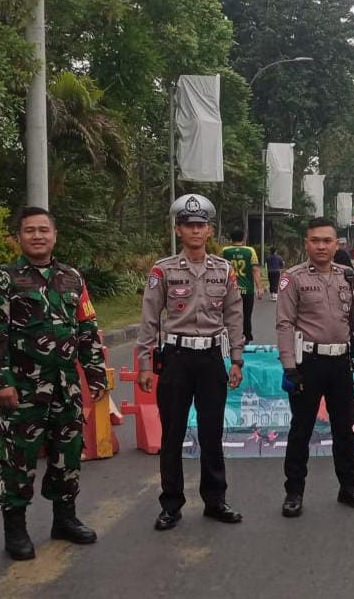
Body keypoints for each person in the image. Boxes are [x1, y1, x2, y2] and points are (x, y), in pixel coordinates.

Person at [0, 206, 108, 560]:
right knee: (17, 460)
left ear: (55, 235)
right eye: (30, 231)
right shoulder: (2, 279)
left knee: (67, 456)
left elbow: (86, 329)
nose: (37, 236)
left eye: (43, 230)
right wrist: (0, 382)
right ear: (19, 237)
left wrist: (95, 372)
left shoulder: (72, 278)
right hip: (22, 388)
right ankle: (15, 529)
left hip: (65, 387)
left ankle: (64, 519)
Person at [137, 194, 245, 531]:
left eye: (201, 225)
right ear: (178, 229)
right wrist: (144, 362)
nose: (195, 231)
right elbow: (150, 318)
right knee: (172, 433)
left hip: (212, 358)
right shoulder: (163, 270)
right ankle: (171, 504)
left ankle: (215, 500)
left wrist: (237, 359)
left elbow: (234, 315)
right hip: (177, 359)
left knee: (212, 432)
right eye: (189, 225)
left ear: (209, 230)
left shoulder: (224, 269)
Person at [275, 217, 354, 517]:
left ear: (336, 244)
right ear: (307, 243)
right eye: (315, 240)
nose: (321, 246)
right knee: (301, 430)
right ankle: (294, 492)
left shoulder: (348, 276)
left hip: (341, 363)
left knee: (345, 429)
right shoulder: (292, 278)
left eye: (327, 240)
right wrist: (290, 367)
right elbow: (284, 324)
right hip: (308, 364)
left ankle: (349, 487)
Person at [222, 228, 264, 342]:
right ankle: (246, 338)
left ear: (231, 238)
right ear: (243, 238)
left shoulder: (225, 251)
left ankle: (229, 338)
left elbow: (220, 269)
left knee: (229, 316)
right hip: (247, 290)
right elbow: (255, 269)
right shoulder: (250, 251)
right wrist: (259, 288)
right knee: (246, 316)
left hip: (229, 291)